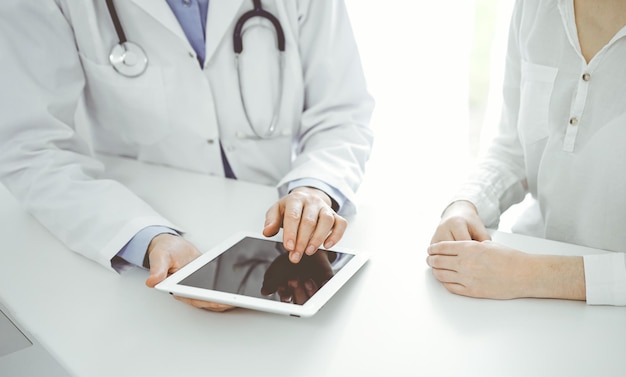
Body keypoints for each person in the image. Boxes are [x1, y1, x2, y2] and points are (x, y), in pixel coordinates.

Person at [0, 1, 373, 311]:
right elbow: (32, 146)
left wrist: (315, 187)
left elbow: (341, 111)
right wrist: (146, 239)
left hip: (271, 221)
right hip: (142, 223)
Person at [427, 0, 626, 306]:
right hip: (525, 286)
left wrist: (532, 274)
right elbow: (515, 149)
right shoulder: (534, 7)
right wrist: (466, 205)